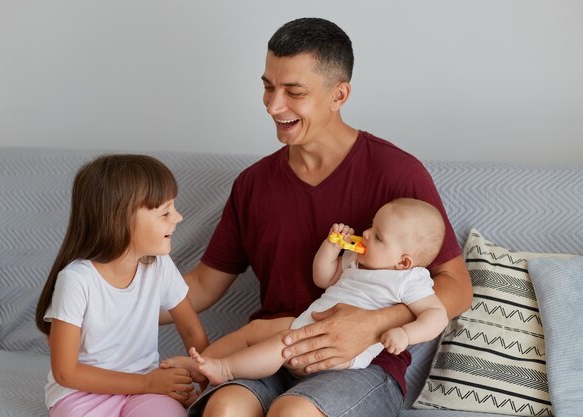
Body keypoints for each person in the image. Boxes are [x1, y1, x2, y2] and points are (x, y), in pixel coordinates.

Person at [166, 17, 473, 417]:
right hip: (272, 351)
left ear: (339, 94)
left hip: (360, 364)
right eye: (268, 86)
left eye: (293, 92)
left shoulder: (398, 174)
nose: (274, 106)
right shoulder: (253, 184)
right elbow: (204, 283)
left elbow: (457, 286)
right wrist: (109, 299)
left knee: (293, 413)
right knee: (224, 407)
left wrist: (375, 323)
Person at [164, 198, 449, 386]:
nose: (366, 234)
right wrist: (331, 247)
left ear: (403, 261)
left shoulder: (409, 280)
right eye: (371, 226)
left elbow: (437, 315)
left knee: (281, 343)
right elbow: (323, 278)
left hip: (338, 351)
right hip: (309, 323)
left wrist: (406, 334)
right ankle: (200, 365)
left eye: (378, 236)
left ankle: (225, 369)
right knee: (255, 329)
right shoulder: (355, 260)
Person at [34, 154, 209, 417]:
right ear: (121, 219)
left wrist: (206, 382)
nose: (178, 217)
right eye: (165, 211)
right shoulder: (77, 280)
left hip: (146, 391)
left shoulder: (159, 266)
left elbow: (191, 332)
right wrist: (146, 383)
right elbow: (65, 372)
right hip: (82, 394)